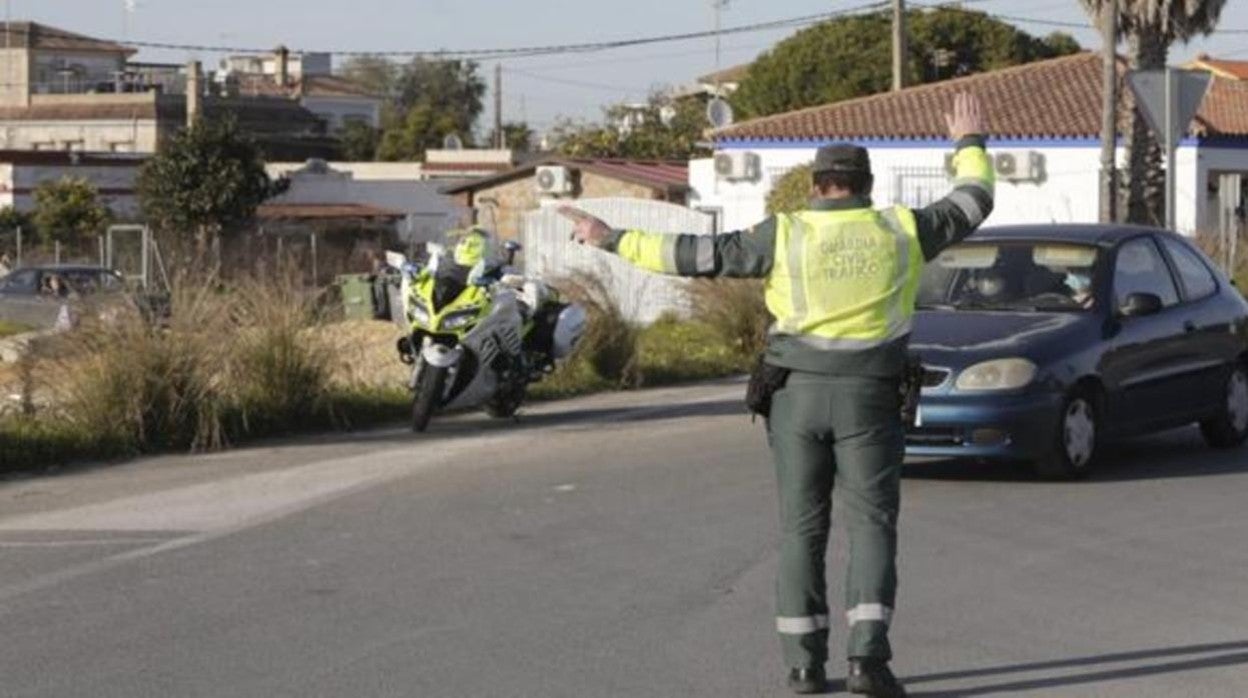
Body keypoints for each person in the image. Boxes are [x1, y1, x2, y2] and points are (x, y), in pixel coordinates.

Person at [559, 93, 995, 697]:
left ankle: (804, 668)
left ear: (816, 185)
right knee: (871, 525)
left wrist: (609, 239)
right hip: (871, 396)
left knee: (801, 529)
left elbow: (694, 256)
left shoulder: (784, 233)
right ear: (865, 185)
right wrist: (968, 144)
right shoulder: (902, 229)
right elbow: (974, 201)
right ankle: (868, 662)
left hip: (795, 398)